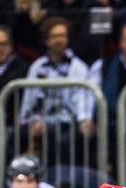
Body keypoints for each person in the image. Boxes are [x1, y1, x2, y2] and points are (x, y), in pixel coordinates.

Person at [19, 16, 97, 163]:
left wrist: (84, 119)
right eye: (54, 36)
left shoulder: (79, 67)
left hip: (66, 122)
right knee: (13, 136)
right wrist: (29, 121)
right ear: (46, 40)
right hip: (38, 120)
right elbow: (29, 98)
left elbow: (82, 98)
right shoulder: (37, 66)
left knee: (59, 138)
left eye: (62, 36)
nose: (59, 40)